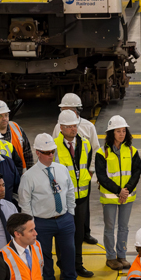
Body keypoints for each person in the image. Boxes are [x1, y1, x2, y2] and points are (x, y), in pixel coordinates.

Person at [18, 133, 89, 280]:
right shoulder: (29, 177)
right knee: (45, 256)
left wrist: (70, 213)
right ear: (38, 153)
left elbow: (70, 191)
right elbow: (24, 202)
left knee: (69, 252)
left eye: (53, 151)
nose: (51, 155)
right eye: (47, 152)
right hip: (42, 223)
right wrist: (32, 225)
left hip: (64, 219)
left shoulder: (61, 169)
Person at [95, 115, 141, 270]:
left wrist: (126, 190)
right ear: (111, 133)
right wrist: (118, 191)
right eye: (118, 131)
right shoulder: (102, 153)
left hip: (126, 197)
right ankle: (110, 257)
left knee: (123, 227)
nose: (122, 134)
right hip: (110, 197)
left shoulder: (132, 151)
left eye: (123, 131)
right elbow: (102, 176)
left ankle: (121, 255)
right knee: (110, 227)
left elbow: (137, 171)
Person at [52, 93, 100, 243]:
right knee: (68, 209)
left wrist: (90, 172)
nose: (62, 112)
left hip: (83, 177)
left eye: (65, 109)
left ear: (75, 110)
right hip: (66, 179)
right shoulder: (58, 127)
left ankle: (85, 233)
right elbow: (55, 150)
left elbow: (95, 150)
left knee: (84, 209)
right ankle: (71, 235)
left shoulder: (88, 126)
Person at [55, 109, 95, 279]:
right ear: (61, 128)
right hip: (64, 199)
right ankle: (65, 267)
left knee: (78, 234)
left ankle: (78, 265)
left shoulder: (85, 143)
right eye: (70, 126)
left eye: (75, 126)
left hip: (82, 197)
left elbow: (86, 165)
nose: (74, 129)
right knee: (64, 234)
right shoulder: (54, 146)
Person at [0, 99, 32, 171]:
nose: (4, 118)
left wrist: (30, 172)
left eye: (6, 115)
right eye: (0, 116)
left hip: (19, 175)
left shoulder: (16, 128)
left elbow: (27, 153)